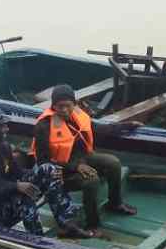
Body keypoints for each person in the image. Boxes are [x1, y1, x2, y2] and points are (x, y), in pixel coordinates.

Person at [0, 108, 94, 237]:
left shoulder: (3, 147)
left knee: (48, 169)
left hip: (5, 195)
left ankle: (68, 225)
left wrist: (42, 176)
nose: (7, 129)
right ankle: (37, 240)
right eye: (2, 126)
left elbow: (17, 173)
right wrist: (16, 187)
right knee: (22, 198)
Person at [31, 85, 139, 236]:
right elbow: (43, 162)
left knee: (113, 163)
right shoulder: (44, 126)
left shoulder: (78, 115)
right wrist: (76, 167)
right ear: (53, 106)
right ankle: (92, 224)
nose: (64, 110)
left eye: (68, 106)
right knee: (91, 180)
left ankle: (115, 203)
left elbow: (97, 128)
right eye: (59, 106)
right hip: (61, 171)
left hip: (82, 158)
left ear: (74, 104)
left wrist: (125, 126)